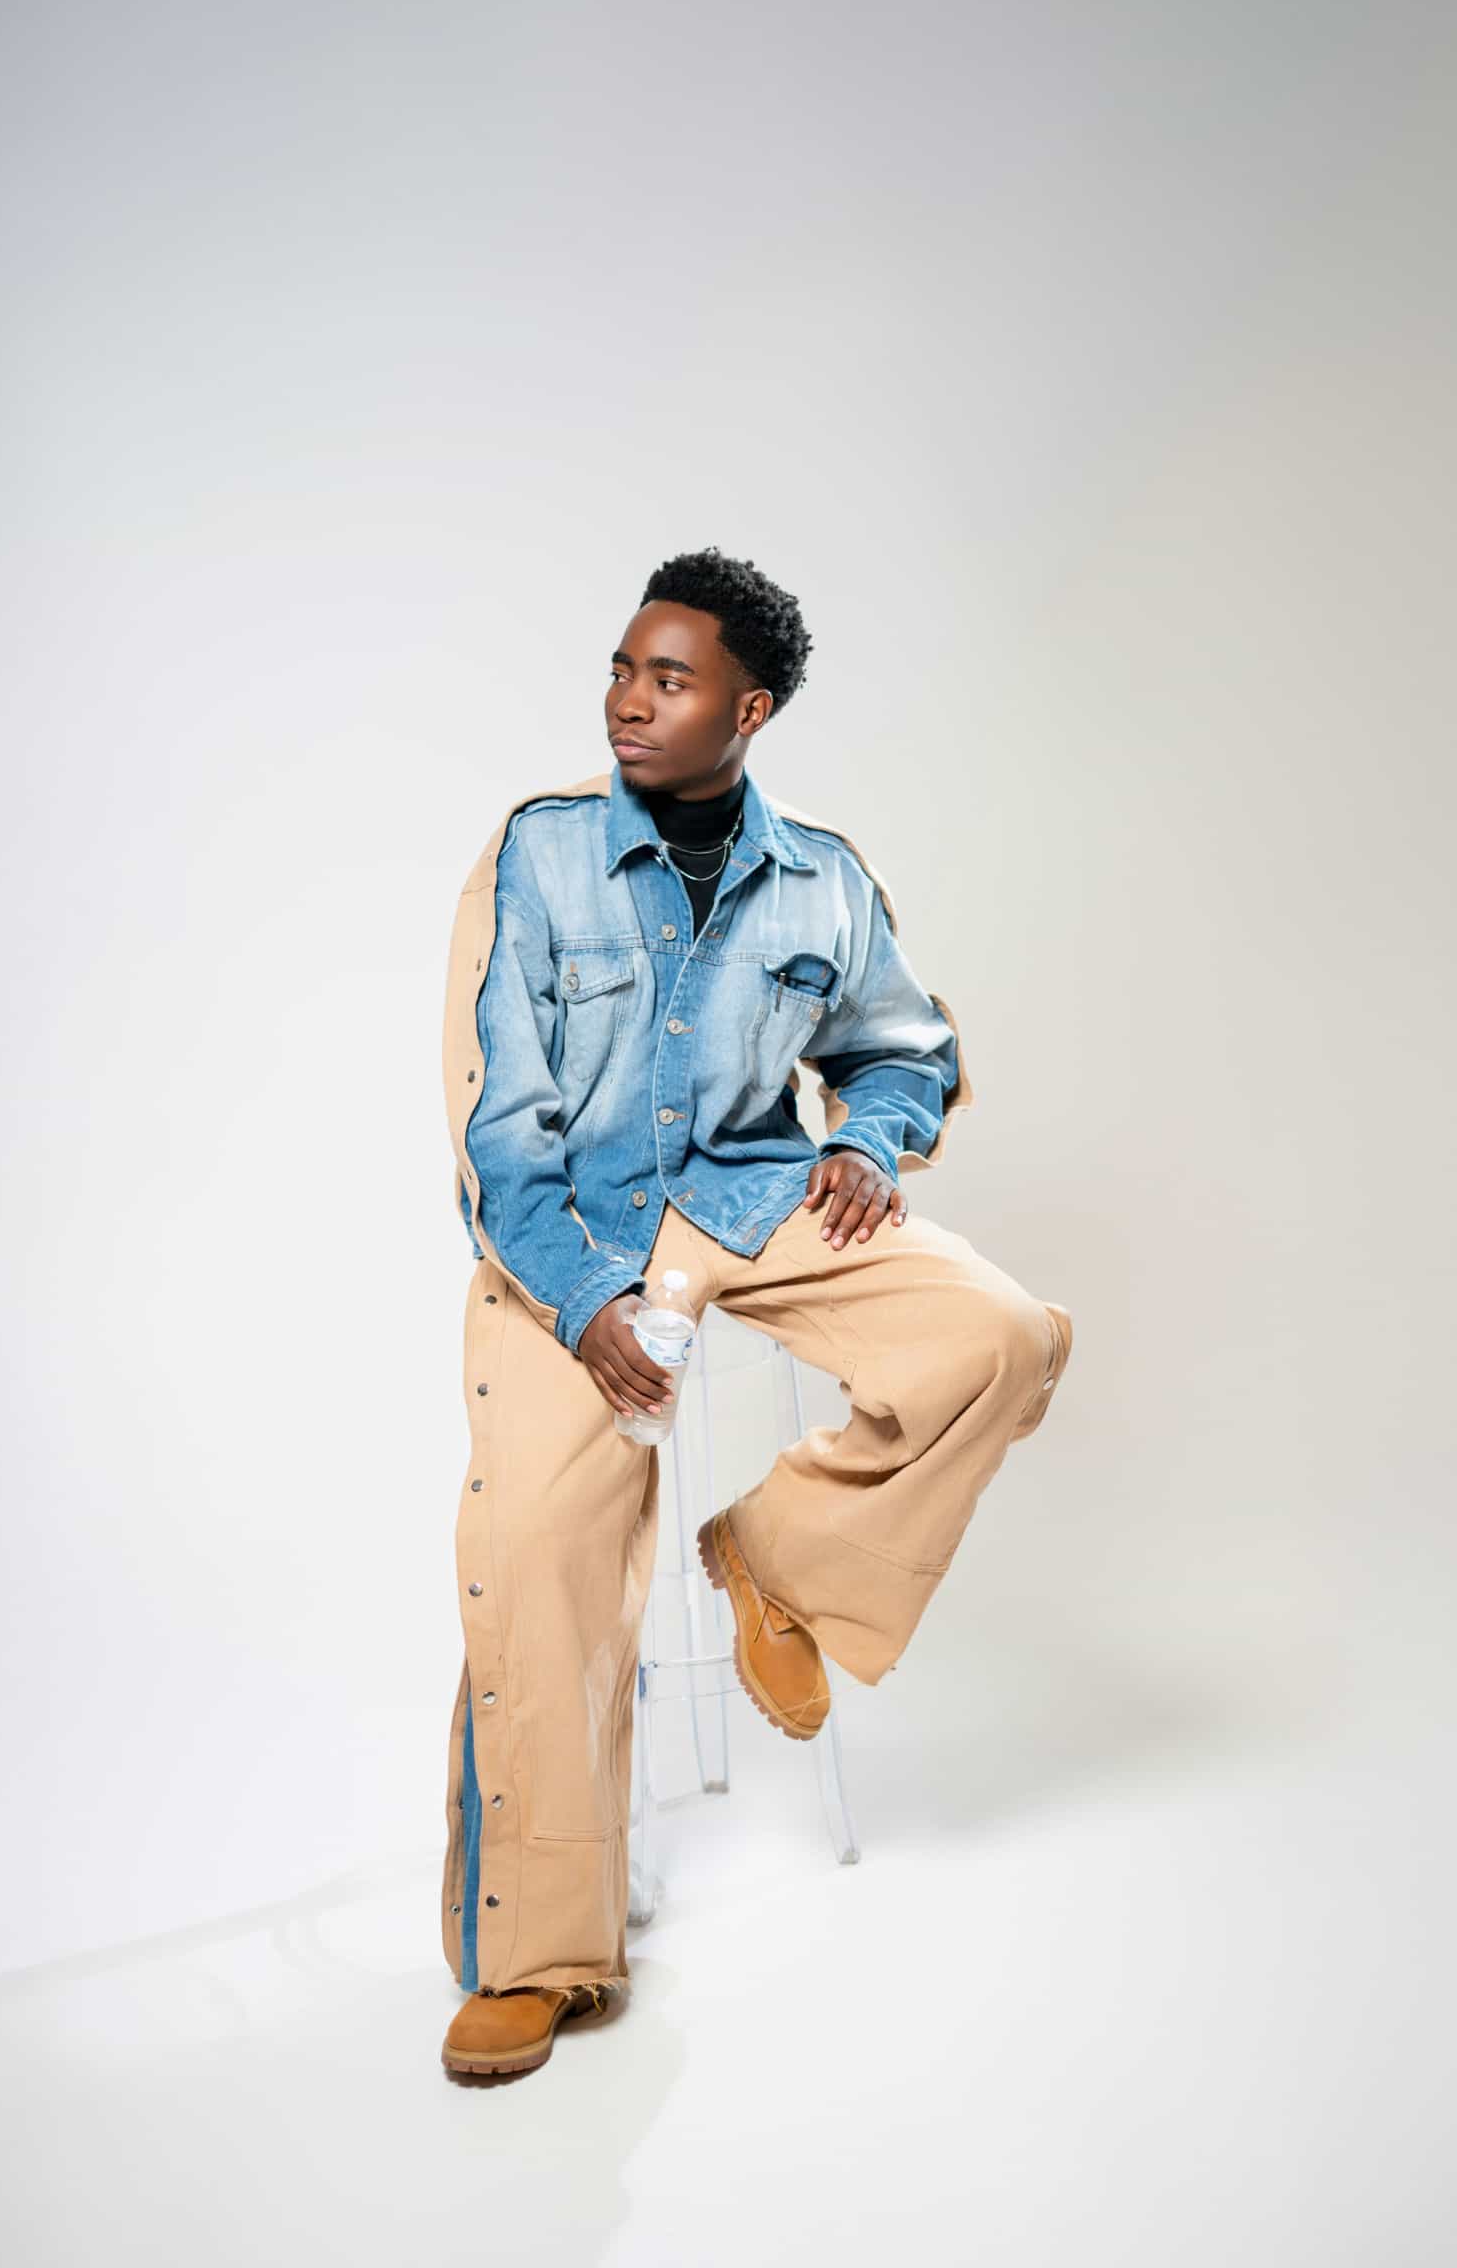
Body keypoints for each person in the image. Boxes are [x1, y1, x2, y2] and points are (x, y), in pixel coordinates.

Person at [438, 546, 1073, 2078]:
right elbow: (496, 1122)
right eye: (621, 669)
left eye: (669, 679)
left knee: (1002, 1336)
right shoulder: (537, 854)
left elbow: (903, 1046)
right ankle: (540, 1957)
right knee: (540, 1551)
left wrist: (870, 1139)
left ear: (750, 709)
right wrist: (588, 1300)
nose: (628, 701)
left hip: (756, 1198)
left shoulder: (823, 877)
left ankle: (777, 1560)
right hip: (573, 1232)